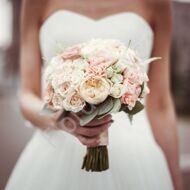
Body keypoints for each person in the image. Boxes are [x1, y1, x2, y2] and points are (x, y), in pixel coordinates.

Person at [5, 0, 182, 189]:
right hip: (56, 149)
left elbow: (161, 105)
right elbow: (27, 96)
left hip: (136, 152)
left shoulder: (158, 3)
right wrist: (61, 119)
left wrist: (176, 181)